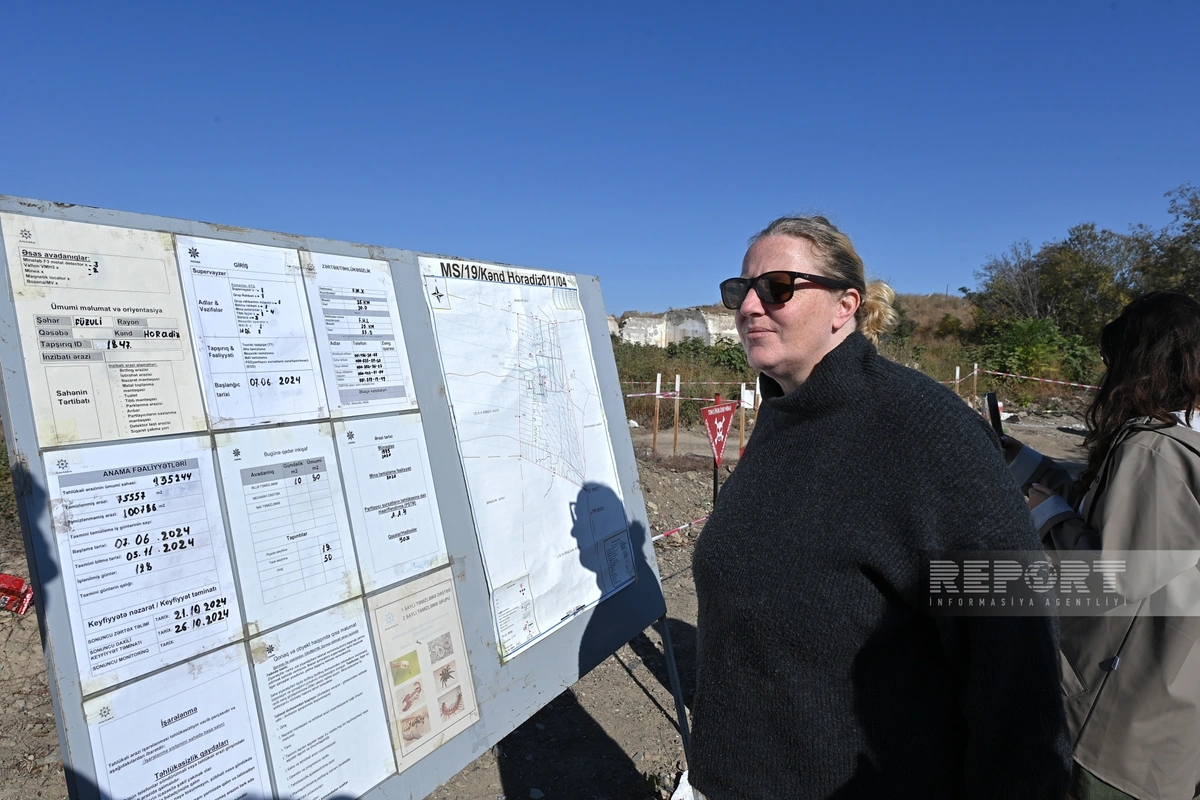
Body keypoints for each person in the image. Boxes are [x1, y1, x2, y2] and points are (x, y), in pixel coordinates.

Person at [689, 215, 1071, 799]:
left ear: (845, 305)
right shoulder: (784, 412)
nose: (749, 306)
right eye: (740, 289)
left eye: (777, 287)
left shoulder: (925, 430)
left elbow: (1014, 657)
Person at [1002, 291, 1200, 800]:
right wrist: (1018, 458)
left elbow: (1114, 577)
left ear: (1141, 364)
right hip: (1162, 724)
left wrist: (1046, 514)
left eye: (1112, 362)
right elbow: (1113, 514)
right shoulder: (1181, 443)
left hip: (1112, 730)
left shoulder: (1155, 449)